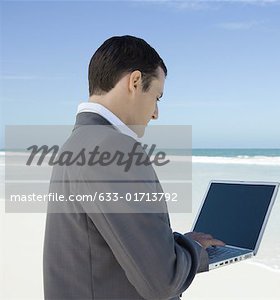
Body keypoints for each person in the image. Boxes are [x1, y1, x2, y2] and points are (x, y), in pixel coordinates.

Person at [43, 35, 224, 300]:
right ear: (135, 81)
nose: (155, 114)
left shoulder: (77, 143)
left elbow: (103, 243)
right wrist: (194, 248)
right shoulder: (114, 148)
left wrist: (176, 244)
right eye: (157, 97)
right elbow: (163, 281)